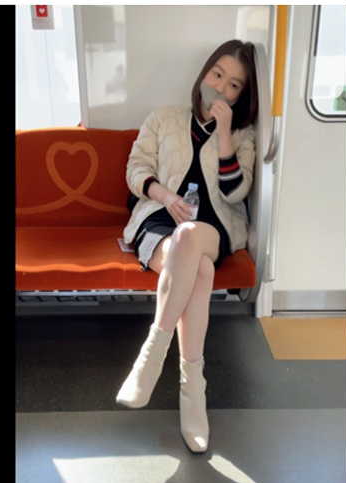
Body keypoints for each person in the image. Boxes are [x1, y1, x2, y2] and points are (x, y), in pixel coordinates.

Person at [116, 39, 258, 454]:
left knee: (191, 236)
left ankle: (151, 354)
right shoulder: (163, 118)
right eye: (217, 74)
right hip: (159, 219)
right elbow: (136, 169)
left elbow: (235, 192)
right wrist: (165, 196)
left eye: (234, 85)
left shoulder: (243, 136)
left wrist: (226, 134)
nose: (221, 87)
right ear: (203, 74)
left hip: (213, 227)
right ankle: (192, 388)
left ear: (240, 95)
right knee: (200, 270)